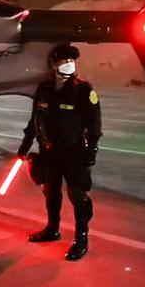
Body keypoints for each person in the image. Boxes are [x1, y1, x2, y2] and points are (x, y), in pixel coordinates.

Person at [17, 43, 102, 261]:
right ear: (53, 65)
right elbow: (35, 119)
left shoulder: (84, 89)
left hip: (73, 152)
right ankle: (52, 229)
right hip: (48, 151)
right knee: (50, 192)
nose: (69, 65)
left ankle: (81, 239)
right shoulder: (44, 88)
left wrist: (91, 151)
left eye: (71, 62)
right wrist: (25, 145)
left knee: (77, 196)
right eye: (64, 62)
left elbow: (94, 124)